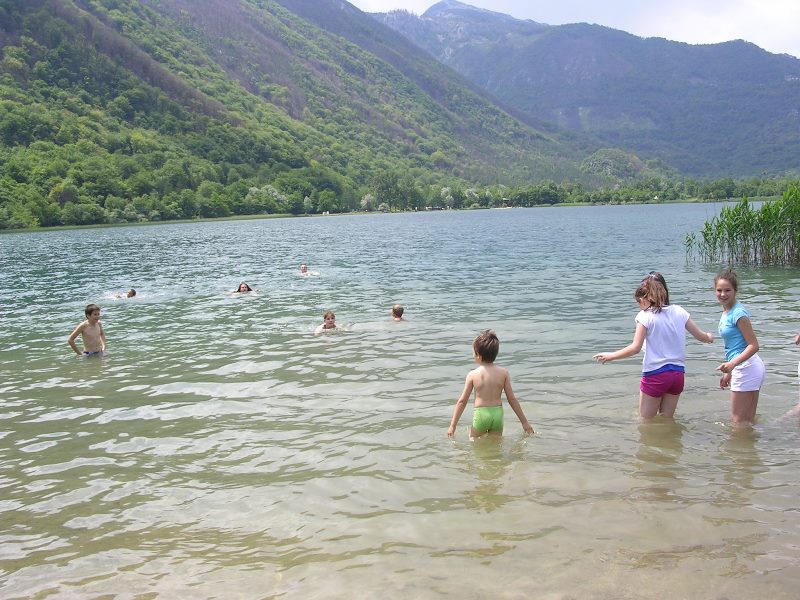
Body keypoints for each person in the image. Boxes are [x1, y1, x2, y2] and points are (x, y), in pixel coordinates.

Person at [593, 273, 714, 418]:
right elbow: (701, 336)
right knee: (667, 420)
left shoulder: (645, 316)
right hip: (677, 375)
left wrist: (611, 356)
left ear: (646, 295)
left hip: (655, 375)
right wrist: (709, 337)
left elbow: (635, 348)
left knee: (645, 422)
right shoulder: (679, 311)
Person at [447, 330, 534, 439]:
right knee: (496, 445)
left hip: (481, 414)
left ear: (478, 355)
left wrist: (452, 425)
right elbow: (512, 399)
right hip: (497, 414)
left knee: (475, 444)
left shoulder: (473, 375)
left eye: (474, 352)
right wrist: (525, 423)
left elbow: (462, 401)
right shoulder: (504, 373)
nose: (473, 355)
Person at [714, 270, 765, 425]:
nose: (723, 294)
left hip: (747, 367)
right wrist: (730, 371)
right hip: (746, 366)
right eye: (719, 290)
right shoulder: (727, 311)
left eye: (727, 290)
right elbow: (734, 346)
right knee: (747, 422)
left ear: (735, 291)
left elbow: (754, 345)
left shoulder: (738, 314)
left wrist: (732, 365)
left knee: (738, 424)